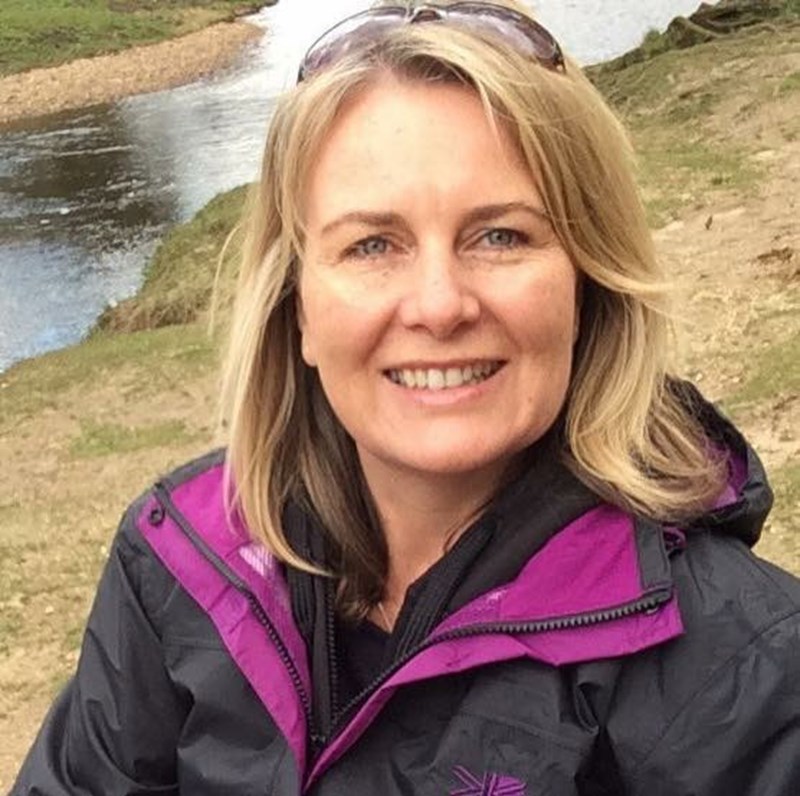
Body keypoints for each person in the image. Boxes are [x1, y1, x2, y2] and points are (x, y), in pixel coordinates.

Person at [10, 1, 800, 794]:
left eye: (500, 235)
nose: (438, 305)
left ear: (587, 284)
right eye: (372, 245)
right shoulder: (183, 565)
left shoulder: (748, 673)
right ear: (297, 310)